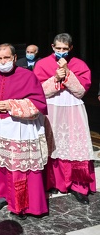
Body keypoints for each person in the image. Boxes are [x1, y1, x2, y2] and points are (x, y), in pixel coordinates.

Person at [0, 43, 48, 219]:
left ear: (14, 58)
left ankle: (21, 201)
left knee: (19, 167)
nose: (2, 61)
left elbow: (39, 104)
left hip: (19, 127)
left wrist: (10, 105)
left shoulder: (28, 76)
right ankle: (0, 196)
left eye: (6, 58)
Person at [34, 33, 96, 204]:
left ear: (70, 48)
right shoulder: (42, 64)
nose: (61, 51)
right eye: (58, 48)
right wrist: (56, 78)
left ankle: (78, 185)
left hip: (73, 109)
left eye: (65, 49)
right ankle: (52, 181)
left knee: (74, 145)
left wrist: (67, 74)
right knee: (52, 144)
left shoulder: (79, 64)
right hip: (51, 109)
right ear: (53, 47)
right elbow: (38, 90)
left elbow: (81, 91)